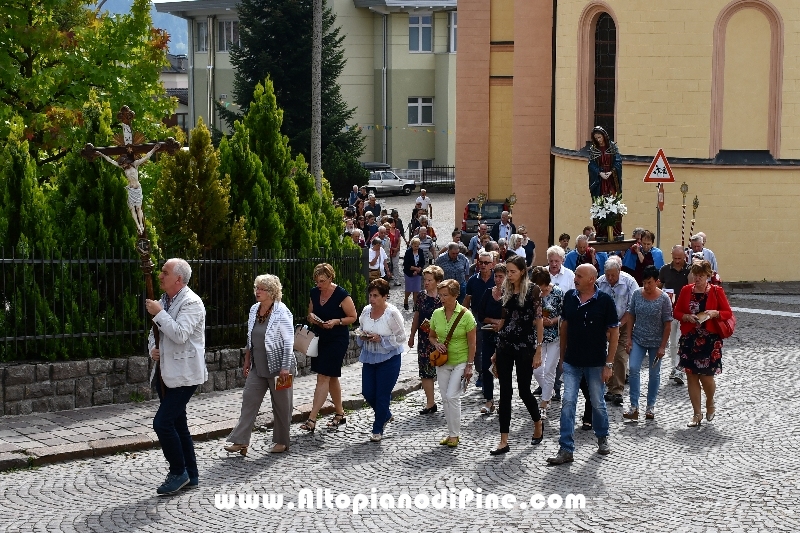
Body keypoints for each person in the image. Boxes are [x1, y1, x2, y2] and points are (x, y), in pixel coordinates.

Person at [146, 258, 207, 495]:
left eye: (165, 272)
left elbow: (180, 334)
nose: (160, 275)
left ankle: (177, 471)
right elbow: (155, 333)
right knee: (179, 424)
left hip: (184, 375)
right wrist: (152, 349)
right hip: (165, 372)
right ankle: (191, 475)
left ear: (178, 279)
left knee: (162, 423)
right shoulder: (165, 301)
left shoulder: (192, 303)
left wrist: (160, 314)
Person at [547, 264, 620, 465]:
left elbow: (614, 333)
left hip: (596, 363)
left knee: (597, 402)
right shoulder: (570, 297)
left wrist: (609, 363)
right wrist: (562, 357)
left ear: (591, 280)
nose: (575, 278)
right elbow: (564, 327)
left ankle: (602, 436)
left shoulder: (604, 301)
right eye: (575, 275)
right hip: (572, 361)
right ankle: (566, 448)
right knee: (568, 403)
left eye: (579, 276)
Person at [225, 274, 296, 456]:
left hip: (280, 367)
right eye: (257, 288)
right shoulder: (254, 309)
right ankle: (240, 441)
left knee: (282, 405)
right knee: (249, 401)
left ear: (272, 292)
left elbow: (289, 342)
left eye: (262, 289)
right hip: (258, 366)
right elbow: (250, 337)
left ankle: (282, 441)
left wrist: (285, 368)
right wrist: (247, 359)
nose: (258, 292)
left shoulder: (282, 311)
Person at [489, 256, 543, 455]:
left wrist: (539, 349)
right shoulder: (507, 289)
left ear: (522, 271)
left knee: (523, 390)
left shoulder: (533, 290)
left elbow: (538, 321)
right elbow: (504, 320)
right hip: (505, 343)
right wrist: (495, 352)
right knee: (504, 392)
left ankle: (537, 422)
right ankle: (504, 440)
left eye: (512, 272)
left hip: (525, 345)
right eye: (507, 272)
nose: (509, 276)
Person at [673, 260, 732, 427]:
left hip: (710, 340)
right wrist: (685, 317)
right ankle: (696, 414)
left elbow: (727, 313)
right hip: (690, 338)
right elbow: (676, 311)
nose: (697, 279)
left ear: (708, 276)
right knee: (691, 376)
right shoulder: (686, 290)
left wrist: (715, 313)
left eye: (701, 276)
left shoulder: (716, 291)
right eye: (695, 275)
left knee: (706, 377)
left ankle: (710, 402)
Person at [300, 264, 358, 433]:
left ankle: (312, 419)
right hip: (320, 337)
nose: (319, 284)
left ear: (331, 278)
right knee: (331, 377)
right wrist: (313, 318)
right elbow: (310, 313)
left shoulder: (341, 294)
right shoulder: (314, 292)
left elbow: (353, 317)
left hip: (337, 339)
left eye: (322, 281)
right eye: (316, 281)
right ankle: (340, 413)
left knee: (323, 377)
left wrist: (336, 321)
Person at [428, 279, 477, 447]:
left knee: (452, 396)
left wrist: (470, 365)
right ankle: (450, 434)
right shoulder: (437, 314)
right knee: (444, 398)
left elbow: (472, 344)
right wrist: (436, 344)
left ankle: (455, 435)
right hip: (443, 361)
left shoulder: (466, 315)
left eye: (445, 295)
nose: (442, 298)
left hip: (461, 360)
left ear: (455, 295)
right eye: (440, 295)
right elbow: (432, 336)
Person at [621, 265, 673, 421]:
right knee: (634, 368)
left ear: (656, 281)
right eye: (644, 282)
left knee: (654, 374)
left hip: (656, 342)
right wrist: (629, 338)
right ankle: (634, 406)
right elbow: (631, 316)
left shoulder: (664, 299)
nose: (647, 286)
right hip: (639, 338)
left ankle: (650, 406)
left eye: (650, 282)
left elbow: (668, 324)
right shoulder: (637, 294)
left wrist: (663, 346)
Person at [357, 279, 407, 442]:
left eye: (376, 296)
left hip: (389, 358)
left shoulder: (391, 313)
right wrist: (363, 335)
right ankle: (385, 414)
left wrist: (381, 339)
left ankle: (377, 428)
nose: (372, 299)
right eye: (370, 295)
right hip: (370, 357)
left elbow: (401, 337)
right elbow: (360, 328)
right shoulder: (365, 311)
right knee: (367, 391)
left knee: (382, 394)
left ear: (385, 297)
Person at [597, 255, 639, 407]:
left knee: (620, 357)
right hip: (604, 326)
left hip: (623, 324)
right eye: (607, 274)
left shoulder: (629, 282)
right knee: (606, 356)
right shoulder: (600, 282)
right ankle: (608, 387)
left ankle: (618, 391)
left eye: (613, 275)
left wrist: (619, 324)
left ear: (619, 271)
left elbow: (632, 307)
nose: (610, 278)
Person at [408, 265, 444, 414]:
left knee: (443, 370)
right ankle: (430, 403)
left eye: (430, 280)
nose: (426, 283)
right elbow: (417, 316)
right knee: (425, 371)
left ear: (438, 281)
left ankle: (448, 400)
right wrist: (411, 336)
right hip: (424, 339)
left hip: (441, 340)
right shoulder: (421, 296)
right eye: (425, 280)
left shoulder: (443, 297)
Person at [530, 266, 564, 421]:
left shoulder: (558, 293)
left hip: (555, 337)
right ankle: (548, 394)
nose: (541, 291)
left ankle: (543, 404)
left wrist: (553, 320)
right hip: (538, 337)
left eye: (542, 287)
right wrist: (538, 321)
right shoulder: (533, 294)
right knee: (537, 371)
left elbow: (564, 314)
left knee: (550, 369)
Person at [476, 263, 506, 415]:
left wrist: (502, 323)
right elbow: (480, 314)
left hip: (505, 338)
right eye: (496, 276)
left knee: (503, 370)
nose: (498, 279)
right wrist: (494, 322)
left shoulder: (510, 294)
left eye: (501, 276)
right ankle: (489, 400)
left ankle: (503, 401)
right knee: (486, 367)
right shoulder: (488, 292)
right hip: (488, 335)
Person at [463, 251, 496, 391]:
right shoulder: (472, 280)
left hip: (494, 316)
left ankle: (492, 372)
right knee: (477, 347)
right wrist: (463, 317)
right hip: (477, 316)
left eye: (486, 263)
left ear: (492, 265)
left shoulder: (497, 278)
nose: (482, 265)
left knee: (493, 347)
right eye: (480, 262)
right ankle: (481, 373)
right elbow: (467, 301)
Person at [658, 245, 691, 385]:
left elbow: (692, 285)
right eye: (675, 258)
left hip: (685, 311)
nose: (677, 261)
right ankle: (674, 367)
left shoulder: (690, 269)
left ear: (684, 256)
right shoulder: (665, 269)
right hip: (670, 310)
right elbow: (659, 285)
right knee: (672, 342)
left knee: (681, 341)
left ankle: (680, 368)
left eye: (680, 258)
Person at [588, 126, 623, 235]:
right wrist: (600, 173)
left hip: (611, 179)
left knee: (613, 201)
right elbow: (591, 165)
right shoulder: (594, 149)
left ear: (604, 135)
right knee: (600, 203)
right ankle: (601, 232)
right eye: (596, 138)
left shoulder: (612, 147)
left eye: (600, 137)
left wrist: (612, 172)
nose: (599, 139)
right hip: (600, 181)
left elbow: (618, 161)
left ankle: (615, 231)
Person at [403, 237, 426, 310]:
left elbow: (422, 262)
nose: (416, 247)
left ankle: (415, 305)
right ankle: (406, 300)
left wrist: (419, 269)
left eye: (417, 246)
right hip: (409, 273)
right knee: (409, 289)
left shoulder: (420, 251)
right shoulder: (408, 252)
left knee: (416, 290)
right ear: (412, 245)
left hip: (418, 273)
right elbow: (406, 264)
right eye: (415, 246)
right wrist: (414, 269)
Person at [387, 217, 402, 286]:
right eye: (391, 222)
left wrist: (397, 248)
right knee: (388, 265)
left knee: (396, 265)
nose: (393, 224)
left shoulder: (397, 231)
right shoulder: (387, 231)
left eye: (394, 222)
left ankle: (396, 280)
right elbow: (388, 243)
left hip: (396, 249)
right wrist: (393, 249)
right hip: (388, 250)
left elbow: (399, 240)